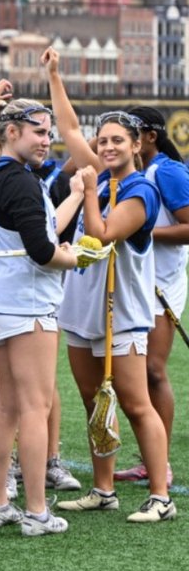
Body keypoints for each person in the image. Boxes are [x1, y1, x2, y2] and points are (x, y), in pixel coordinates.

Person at [44, 49, 175, 523]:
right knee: (94, 400)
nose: (107, 148)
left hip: (121, 313)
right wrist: (55, 77)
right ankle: (104, 489)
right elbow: (70, 130)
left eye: (118, 140)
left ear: (137, 144)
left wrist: (84, 191)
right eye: (104, 141)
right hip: (83, 309)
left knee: (137, 405)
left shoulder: (141, 190)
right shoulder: (98, 176)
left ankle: (160, 495)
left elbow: (101, 233)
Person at [0, 97, 81, 536]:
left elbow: (43, 229)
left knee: (11, 407)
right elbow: (42, 250)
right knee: (35, 406)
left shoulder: (1, 174)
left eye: (49, 131)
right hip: (27, 303)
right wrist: (74, 259)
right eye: (39, 130)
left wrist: (73, 198)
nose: (46, 139)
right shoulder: (17, 180)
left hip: (1, 301)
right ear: (11, 131)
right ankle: (36, 510)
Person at [112, 106, 189, 486]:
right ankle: (148, 458)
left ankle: (159, 464)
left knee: (152, 371)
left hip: (163, 281)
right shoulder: (136, 173)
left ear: (149, 137)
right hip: (140, 281)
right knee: (136, 373)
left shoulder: (166, 171)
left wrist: (138, 231)